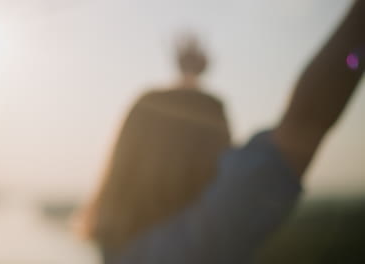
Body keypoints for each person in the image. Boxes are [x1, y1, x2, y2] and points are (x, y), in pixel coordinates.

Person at [77, 1, 365, 263]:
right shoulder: (198, 244)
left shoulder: (116, 248)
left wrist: (187, 78)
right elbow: (307, 121)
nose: (233, 153)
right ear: (182, 162)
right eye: (222, 142)